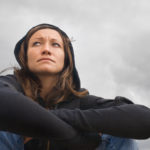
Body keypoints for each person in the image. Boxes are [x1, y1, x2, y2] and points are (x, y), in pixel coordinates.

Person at [0, 23, 150, 150]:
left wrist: (49, 120)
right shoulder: (10, 84)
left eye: (55, 44)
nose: (46, 49)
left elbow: (144, 119)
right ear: (25, 56)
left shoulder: (81, 101)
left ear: (66, 59)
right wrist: (82, 139)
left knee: (120, 136)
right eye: (37, 43)